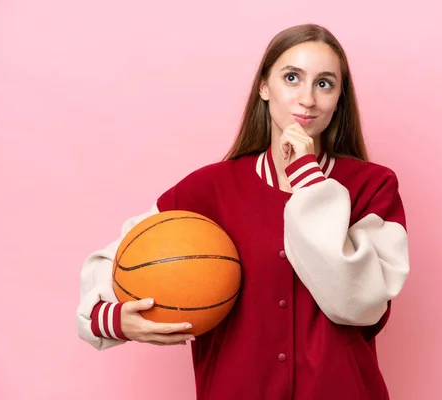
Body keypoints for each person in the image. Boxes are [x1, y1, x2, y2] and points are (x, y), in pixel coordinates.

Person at [76, 23, 410, 399]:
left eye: (324, 84)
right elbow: (116, 261)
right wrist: (114, 319)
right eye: (291, 78)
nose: (307, 99)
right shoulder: (209, 189)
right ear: (264, 87)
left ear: (338, 99)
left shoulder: (374, 186)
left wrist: (306, 178)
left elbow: (362, 302)